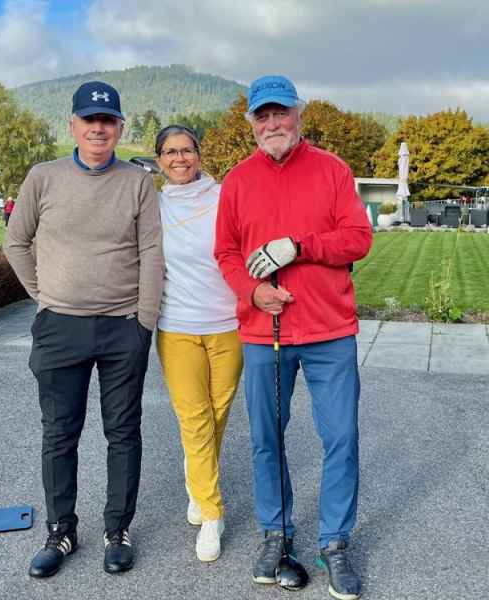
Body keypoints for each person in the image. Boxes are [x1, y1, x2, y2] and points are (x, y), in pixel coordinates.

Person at [214, 75, 373, 599]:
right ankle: (276, 532)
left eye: (280, 113)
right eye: (262, 116)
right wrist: (253, 292)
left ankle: (335, 541)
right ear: (252, 124)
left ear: (298, 115)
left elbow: (358, 239)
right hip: (265, 332)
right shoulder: (238, 181)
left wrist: (299, 246)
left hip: (329, 330)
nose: (272, 124)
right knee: (267, 437)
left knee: (341, 437)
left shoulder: (332, 169)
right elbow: (226, 253)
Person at [3, 81, 164, 579]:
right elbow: (15, 242)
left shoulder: (137, 182)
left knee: (123, 432)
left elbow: (151, 251)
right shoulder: (43, 177)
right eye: (90, 120)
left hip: (123, 327)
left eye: (108, 120)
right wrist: (46, 296)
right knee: (59, 433)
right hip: (59, 327)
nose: (99, 128)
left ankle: (118, 529)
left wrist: (144, 320)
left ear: (120, 127)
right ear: (72, 125)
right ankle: (61, 531)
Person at [153, 125, 242, 562]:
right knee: (194, 418)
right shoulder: (153, 205)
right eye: (170, 152)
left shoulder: (226, 197)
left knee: (217, 415)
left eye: (187, 150)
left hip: (228, 324)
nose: (180, 159)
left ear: (199, 155)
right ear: (159, 161)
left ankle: (197, 475)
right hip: (177, 326)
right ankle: (211, 512)